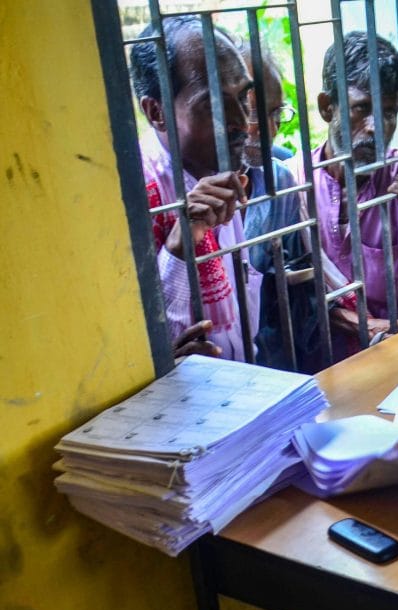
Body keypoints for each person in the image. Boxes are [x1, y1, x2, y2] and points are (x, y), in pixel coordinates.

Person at [291, 31, 398, 355]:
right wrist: (356, 322)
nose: (376, 127)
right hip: (318, 371)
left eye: (389, 113)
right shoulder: (294, 185)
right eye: (362, 108)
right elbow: (289, 303)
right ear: (327, 107)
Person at [130, 16, 260, 362]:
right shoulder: (131, 199)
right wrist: (180, 242)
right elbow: (142, 351)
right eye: (213, 104)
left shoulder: (219, 172)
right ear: (156, 112)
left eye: (243, 97)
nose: (241, 121)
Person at [238, 46, 323, 373]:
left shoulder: (280, 183)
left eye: (276, 114)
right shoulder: (184, 193)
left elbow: (288, 302)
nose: (270, 130)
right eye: (254, 114)